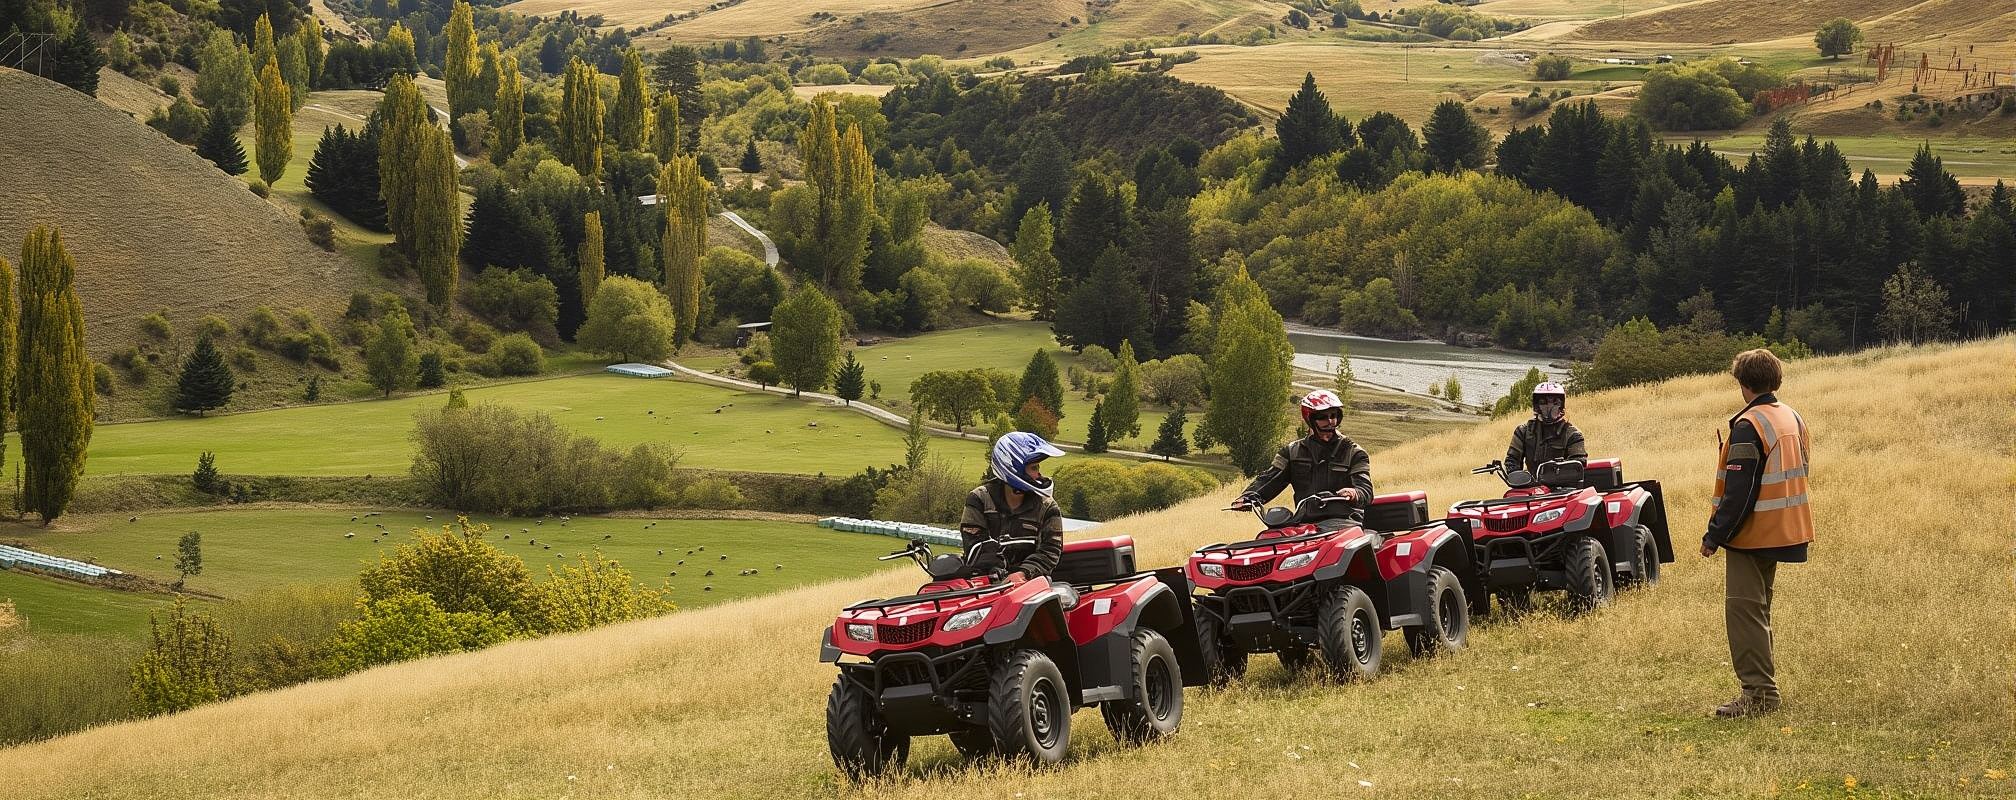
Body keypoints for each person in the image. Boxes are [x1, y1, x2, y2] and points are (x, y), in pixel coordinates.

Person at [1700, 348, 1812, 718]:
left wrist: (1714, 536)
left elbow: (1739, 491)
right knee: (1759, 610)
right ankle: (1763, 689)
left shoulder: (1750, 424)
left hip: (1753, 534)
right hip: (1785, 528)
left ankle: (1760, 695)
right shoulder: (1790, 417)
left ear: (1743, 384)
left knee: (1744, 613)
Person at [1233, 390, 1373, 529]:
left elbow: (1366, 491)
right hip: (1305, 525)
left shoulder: (1354, 452)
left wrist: (1354, 493)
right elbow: (1269, 479)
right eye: (1323, 417)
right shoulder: (1291, 452)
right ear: (1310, 419)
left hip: (1346, 523)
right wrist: (1248, 497)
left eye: (1333, 416)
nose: (1330, 421)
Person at [959, 431, 1066, 581]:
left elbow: (1050, 550)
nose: (1039, 474)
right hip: (985, 580)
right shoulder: (979, 499)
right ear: (1013, 468)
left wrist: (1023, 573)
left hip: (1031, 583)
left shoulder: (1047, 506)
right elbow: (974, 545)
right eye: (1034, 468)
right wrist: (996, 573)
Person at [1505, 381, 1587, 474]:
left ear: (1561, 405)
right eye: (1543, 402)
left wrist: (1558, 473)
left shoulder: (1573, 434)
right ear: (1537, 405)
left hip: (1564, 485)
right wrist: (1520, 478)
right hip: (1532, 485)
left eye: (1555, 403)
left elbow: (1578, 464)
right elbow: (1511, 460)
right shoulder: (1523, 431)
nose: (1549, 407)